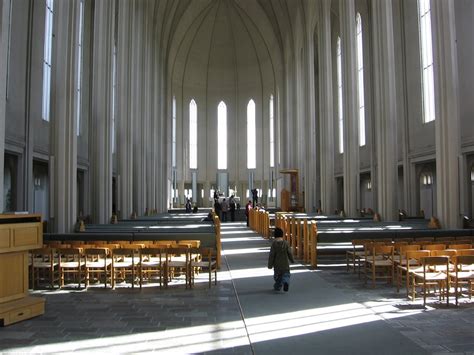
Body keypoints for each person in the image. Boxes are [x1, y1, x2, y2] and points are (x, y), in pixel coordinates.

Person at [268, 227, 294, 292]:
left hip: (277, 265)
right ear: (282, 235)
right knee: (286, 275)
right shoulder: (286, 243)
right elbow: (289, 253)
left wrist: (270, 265)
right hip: (285, 264)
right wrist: (292, 260)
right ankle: (286, 282)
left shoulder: (274, 244)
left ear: (275, 236)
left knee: (278, 277)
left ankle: (278, 286)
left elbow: (271, 255)